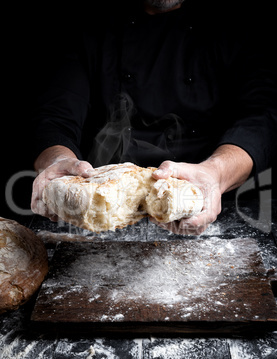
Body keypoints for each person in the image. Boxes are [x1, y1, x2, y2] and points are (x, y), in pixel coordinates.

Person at [31, 0, 277, 235]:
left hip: (218, 213)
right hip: (91, 215)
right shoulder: (89, 22)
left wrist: (216, 174)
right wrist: (56, 160)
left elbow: (261, 118)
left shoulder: (234, 23)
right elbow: (55, 115)